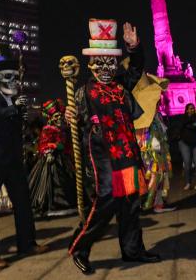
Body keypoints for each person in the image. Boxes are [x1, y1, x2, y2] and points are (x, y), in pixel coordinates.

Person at [65, 19, 160, 275]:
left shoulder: (121, 85)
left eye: (111, 63)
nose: (106, 68)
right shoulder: (83, 92)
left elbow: (137, 68)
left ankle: (132, 250)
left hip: (127, 151)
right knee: (105, 201)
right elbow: (76, 123)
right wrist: (70, 118)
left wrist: (134, 47)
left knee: (130, 202)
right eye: (100, 63)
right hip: (102, 155)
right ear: (91, 64)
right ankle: (80, 248)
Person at [0, 44, 48, 269]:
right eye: (9, 76)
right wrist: (12, 110)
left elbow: (15, 126)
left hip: (13, 159)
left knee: (23, 203)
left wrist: (21, 116)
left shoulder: (13, 99)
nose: (15, 80)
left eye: (16, 76)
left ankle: (27, 243)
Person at [28, 99, 76, 217]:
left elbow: (66, 144)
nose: (59, 118)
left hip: (63, 158)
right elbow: (44, 143)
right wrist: (50, 151)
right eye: (56, 116)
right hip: (52, 159)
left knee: (67, 179)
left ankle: (69, 202)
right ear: (51, 117)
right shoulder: (48, 129)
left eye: (60, 115)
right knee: (54, 180)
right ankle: (56, 204)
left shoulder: (62, 129)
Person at [177, 104, 196, 190]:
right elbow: (183, 124)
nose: (192, 110)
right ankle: (188, 183)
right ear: (186, 110)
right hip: (185, 143)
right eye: (190, 109)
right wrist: (194, 117)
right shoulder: (183, 118)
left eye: (193, 108)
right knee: (187, 163)